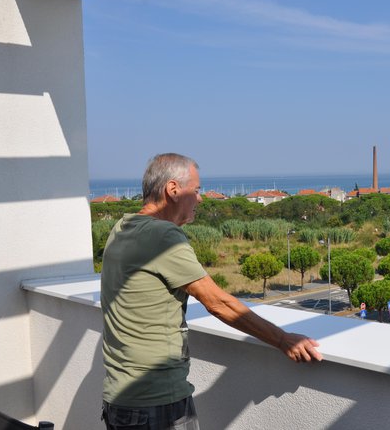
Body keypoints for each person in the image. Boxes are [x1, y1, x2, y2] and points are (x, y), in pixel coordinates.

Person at [100, 153, 322, 430]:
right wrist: (282, 340)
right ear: (173, 190)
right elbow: (218, 303)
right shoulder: (162, 237)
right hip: (155, 403)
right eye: (196, 190)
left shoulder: (122, 227)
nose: (201, 199)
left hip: (121, 397)